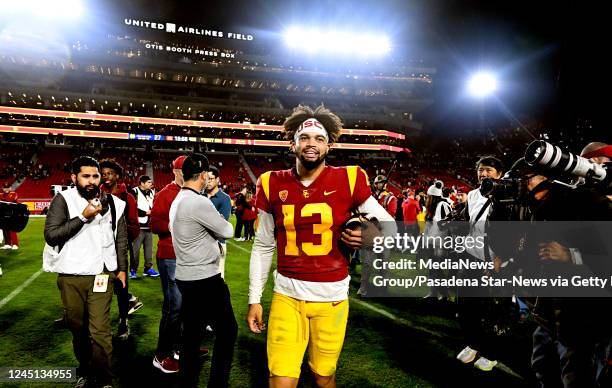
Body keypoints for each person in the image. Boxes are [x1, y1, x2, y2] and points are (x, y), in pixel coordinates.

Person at [246, 105, 395, 387]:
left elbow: (391, 226)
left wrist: (370, 235)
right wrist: (255, 298)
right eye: (305, 138)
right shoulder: (270, 182)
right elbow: (264, 245)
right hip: (286, 296)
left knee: (323, 378)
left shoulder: (350, 178)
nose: (311, 144)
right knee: (280, 380)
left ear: (329, 146)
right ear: (293, 144)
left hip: (332, 299)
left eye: (319, 138)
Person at [43, 156, 128, 388]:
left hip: (102, 275)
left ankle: (105, 379)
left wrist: (122, 270)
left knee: (101, 330)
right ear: (74, 178)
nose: (91, 181)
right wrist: (83, 216)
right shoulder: (63, 200)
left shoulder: (115, 203)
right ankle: (85, 368)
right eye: (86, 176)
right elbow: (52, 235)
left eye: (95, 176)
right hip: (71, 274)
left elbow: (120, 239)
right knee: (78, 328)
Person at [170, 153, 236, 387]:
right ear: (204, 175)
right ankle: (217, 383)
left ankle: (187, 381)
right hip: (205, 278)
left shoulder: (178, 198)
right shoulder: (198, 201)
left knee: (192, 335)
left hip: (186, 275)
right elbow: (227, 230)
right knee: (228, 331)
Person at [99, 158, 143, 341]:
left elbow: (134, 226)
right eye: (103, 174)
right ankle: (100, 323)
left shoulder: (128, 197)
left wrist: (122, 244)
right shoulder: (97, 194)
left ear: (117, 175)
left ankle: (123, 321)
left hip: (119, 250)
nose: (106, 177)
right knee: (100, 287)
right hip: (99, 251)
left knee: (121, 286)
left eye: (109, 173)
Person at [150, 155, 185, 373]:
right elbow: (155, 225)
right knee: (175, 307)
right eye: (184, 169)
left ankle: (180, 347)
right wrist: (179, 226)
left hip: (188, 257)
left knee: (185, 306)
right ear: (175, 171)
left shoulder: (192, 193)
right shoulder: (166, 194)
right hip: (170, 255)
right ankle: (161, 355)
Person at [206, 165, 232, 278]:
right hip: (200, 244)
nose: (207, 181)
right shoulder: (199, 195)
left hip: (217, 243)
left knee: (218, 277)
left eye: (210, 179)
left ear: (217, 180)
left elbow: (221, 224)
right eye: (206, 178)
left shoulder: (225, 198)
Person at [132, 175, 159, 278]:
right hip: (139, 226)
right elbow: (132, 207)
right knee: (135, 250)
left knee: (149, 250)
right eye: (148, 182)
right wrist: (145, 213)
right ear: (142, 183)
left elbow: (154, 205)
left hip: (149, 225)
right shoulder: (134, 191)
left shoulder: (152, 192)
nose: (150, 184)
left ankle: (147, 269)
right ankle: (133, 270)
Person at [0, 183, 20, 250]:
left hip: (12, 214)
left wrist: (3, 202)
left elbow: (10, 202)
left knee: (12, 230)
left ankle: (15, 244)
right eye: (5, 188)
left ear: (10, 188)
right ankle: (7, 244)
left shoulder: (14, 194)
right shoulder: (1, 195)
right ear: (2, 188)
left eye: (8, 187)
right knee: (5, 230)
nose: (6, 189)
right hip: (3, 215)